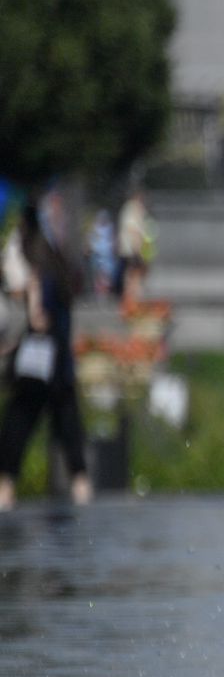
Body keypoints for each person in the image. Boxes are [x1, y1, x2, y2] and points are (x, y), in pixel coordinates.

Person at [0, 191, 92, 511]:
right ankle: (82, 487)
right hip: (60, 360)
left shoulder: (37, 270)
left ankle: (6, 487)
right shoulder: (57, 264)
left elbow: (38, 318)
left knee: (19, 421)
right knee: (68, 423)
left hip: (38, 360)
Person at [115, 189, 152, 309]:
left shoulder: (130, 208)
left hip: (129, 248)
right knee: (133, 276)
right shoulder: (133, 208)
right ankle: (131, 303)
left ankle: (131, 302)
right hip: (132, 249)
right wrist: (137, 249)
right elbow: (133, 230)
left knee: (132, 275)